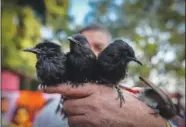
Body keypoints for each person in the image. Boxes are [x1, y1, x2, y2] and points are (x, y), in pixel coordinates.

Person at [35, 24, 169, 127]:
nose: (91, 52)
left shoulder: (135, 102)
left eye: (99, 47)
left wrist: (149, 122)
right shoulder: (48, 113)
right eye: (85, 44)